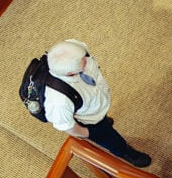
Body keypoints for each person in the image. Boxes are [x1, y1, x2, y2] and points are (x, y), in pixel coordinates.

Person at [44, 39, 151, 167]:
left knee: (104, 121)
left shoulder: (75, 48)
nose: (86, 61)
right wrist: (88, 133)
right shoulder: (58, 101)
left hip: (95, 105)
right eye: (82, 63)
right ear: (70, 73)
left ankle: (104, 120)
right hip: (90, 122)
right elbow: (67, 126)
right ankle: (126, 153)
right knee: (111, 140)